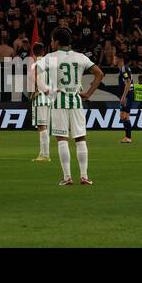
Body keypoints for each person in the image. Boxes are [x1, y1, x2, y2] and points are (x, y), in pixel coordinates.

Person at [47, 27, 103, 186]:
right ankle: (84, 176)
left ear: (57, 42)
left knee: (62, 139)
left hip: (59, 100)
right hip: (77, 99)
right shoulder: (81, 57)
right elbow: (99, 73)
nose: (51, 43)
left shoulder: (50, 57)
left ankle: (67, 177)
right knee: (80, 138)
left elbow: (36, 73)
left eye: (52, 40)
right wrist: (89, 93)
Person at [30, 42, 51, 162]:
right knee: (45, 126)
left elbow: (36, 78)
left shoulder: (36, 64)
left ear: (33, 53)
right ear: (43, 52)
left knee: (42, 126)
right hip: (48, 98)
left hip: (41, 98)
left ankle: (45, 155)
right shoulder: (48, 64)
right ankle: (43, 152)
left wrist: (35, 91)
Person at [118, 58, 135, 144]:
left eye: (114, 58)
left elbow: (128, 82)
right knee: (123, 116)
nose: (113, 60)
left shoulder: (124, 69)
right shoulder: (124, 69)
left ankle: (128, 137)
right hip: (127, 94)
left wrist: (124, 96)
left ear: (119, 59)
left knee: (124, 116)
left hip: (127, 94)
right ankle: (127, 137)